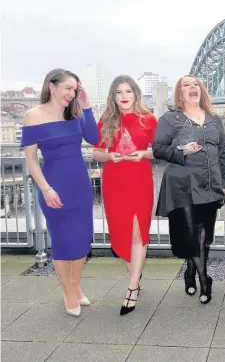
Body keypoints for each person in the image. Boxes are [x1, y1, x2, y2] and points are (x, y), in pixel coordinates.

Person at [21, 69, 98, 316]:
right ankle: (69, 293)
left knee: (82, 240)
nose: (71, 93)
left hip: (79, 184)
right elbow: (31, 161)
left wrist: (85, 106)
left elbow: (94, 138)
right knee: (63, 242)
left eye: (75, 89)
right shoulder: (32, 116)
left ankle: (74, 287)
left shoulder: (74, 113)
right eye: (67, 88)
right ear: (52, 86)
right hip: (54, 185)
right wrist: (46, 189)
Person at [153, 75, 225, 304]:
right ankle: (205, 279)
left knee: (203, 235)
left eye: (195, 84)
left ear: (202, 90)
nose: (192, 88)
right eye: (186, 85)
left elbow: (224, 152)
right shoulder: (170, 119)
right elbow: (158, 149)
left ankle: (190, 271)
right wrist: (181, 152)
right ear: (179, 94)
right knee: (192, 233)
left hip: (209, 184)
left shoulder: (214, 119)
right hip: (182, 186)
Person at [92, 75, 157, 316]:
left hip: (139, 179)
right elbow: (97, 153)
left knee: (138, 232)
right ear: (113, 96)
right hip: (114, 181)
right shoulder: (106, 120)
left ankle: (132, 288)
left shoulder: (149, 119)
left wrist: (144, 153)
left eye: (128, 91)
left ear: (135, 94)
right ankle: (136, 276)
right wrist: (109, 156)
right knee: (121, 232)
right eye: (119, 92)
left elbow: (159, 150)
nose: (124, 96)